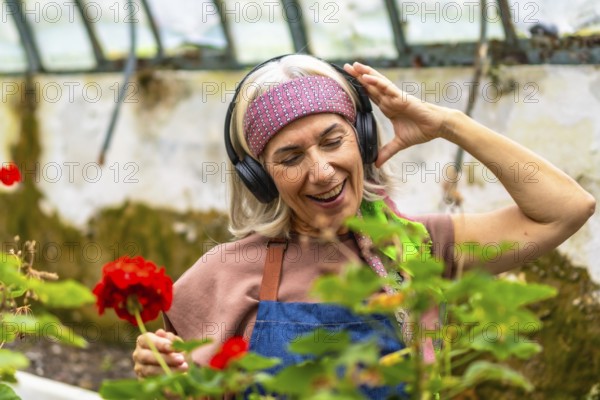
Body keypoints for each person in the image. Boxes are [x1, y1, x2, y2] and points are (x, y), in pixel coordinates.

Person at [131, 54, 595, 395]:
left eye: (333, 140)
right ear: (262, 179)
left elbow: (565, 208)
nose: (322, 171)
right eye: (290, 157)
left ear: (364, 139)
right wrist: (161, 377)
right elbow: (190, 391)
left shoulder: (422, 247)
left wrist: (449, 124)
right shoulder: (227, 271)